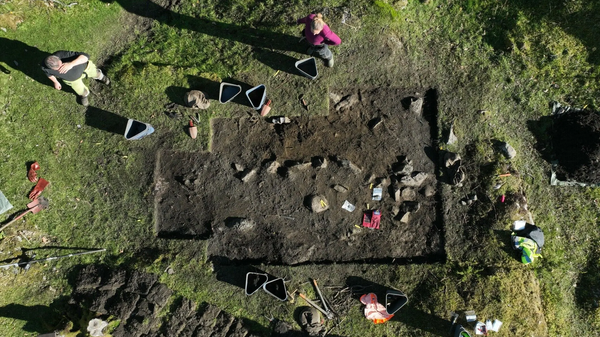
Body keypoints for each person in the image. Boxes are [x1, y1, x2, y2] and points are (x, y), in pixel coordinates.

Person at [41, 51, 110, 106]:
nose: (62, 68)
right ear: (51, 68)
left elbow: (85, 56)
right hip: (73, 80)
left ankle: (101, 77)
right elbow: (49, 74)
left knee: (95, 73)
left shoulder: (61, 54)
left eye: (61, 64)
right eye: (58, 68)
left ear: (58, 59)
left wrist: (71, 64)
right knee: (80, 90)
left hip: (85, 68)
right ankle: (84, 95)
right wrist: (56, 82)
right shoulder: (45, 68)